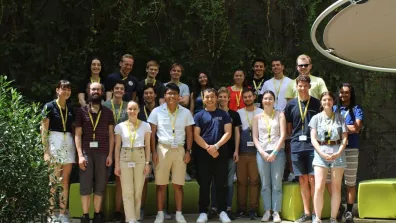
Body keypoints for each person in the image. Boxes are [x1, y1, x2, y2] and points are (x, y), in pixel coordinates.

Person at [147, 83, 195, 223]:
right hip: (162, 149)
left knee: (178, 184)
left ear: (179, 96)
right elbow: (152, 134)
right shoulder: (156, 111)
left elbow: (189, 133)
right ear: (164, 95)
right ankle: (160, 214)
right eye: (169, 93)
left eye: (175, 93)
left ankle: (179, 214)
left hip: (179, 149)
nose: (172, 96)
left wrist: (188, 151)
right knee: (161, 184)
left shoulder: (185, 112)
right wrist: (153, 152)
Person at [75, 82, 115, 223]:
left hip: (103, 153)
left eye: (98, 89)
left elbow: (111, 135)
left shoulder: (108, 112)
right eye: (93, 89)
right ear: (88, 91)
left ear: (102, 92)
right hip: (86, 153)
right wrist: (79, 155)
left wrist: (110, 154)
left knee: (100, 185)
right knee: (85, 184)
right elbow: (78, 134)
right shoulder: (81, 111)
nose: (95, 91)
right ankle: (85, 215)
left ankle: (98, 215)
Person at [284, 75, 321, 222]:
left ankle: (314, 213)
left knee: (313, 179)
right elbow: (288, 128)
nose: (303, 88)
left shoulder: (317, 103)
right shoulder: (291, 105)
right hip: (297, 146)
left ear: (309, 87)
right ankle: (306, 213)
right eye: (300, 85)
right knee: (303, 180)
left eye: (305, 85)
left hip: (313, 146)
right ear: (296, 86)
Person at [194, 88, 232, 223]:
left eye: (212, 97)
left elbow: (228, 133)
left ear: (216, 98)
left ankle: (222, 211)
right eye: (207, 97)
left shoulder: (224, 114)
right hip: (203, 154)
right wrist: (208, 148)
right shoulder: (198, 115)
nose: (209, 99)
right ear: (203, 99)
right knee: (204, 184)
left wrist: (216, 147)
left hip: (220, 153)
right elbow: (196, 135)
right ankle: (203, 212)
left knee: (221, 184)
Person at [309, 91, 348, 223]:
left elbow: (344, 138)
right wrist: (321, 152)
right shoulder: (316, 118)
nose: (327, 102)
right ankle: (318, 218)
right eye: (324, 100)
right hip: (321, 153)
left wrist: (338, 152)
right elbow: (313, 139)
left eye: (329, 100)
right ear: (321, 102)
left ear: (333, 102)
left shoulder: (340, 118)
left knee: (336, 187)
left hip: (338, 153)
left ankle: (333, 218)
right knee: (319, 186)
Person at [41, 80, 75, 223]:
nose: (66, 91)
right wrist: (46, 151)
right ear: (57, 90)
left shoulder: (71, 108)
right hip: (54, 141)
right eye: (64, 89)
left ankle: (62, 214)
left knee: (65, 181)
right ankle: (50, 214)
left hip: (68, 141)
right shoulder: (49, 106)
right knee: (53, 181)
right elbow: (43, 130)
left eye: (69, 89)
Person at [114, 101, 151, 223]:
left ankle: (135, 217)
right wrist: (117, 165)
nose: (132, 111)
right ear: (126, 110)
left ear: (139, 110)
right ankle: (130, 219)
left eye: (134, 109)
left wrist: (147, 163)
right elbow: (117, 147)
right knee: (127, 190)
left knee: (138, 189)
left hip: (140, 156)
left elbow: (148, 146)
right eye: (130, 109)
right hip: (125, 156)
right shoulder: (119, 126)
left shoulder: (146, 126)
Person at [252, 90, 286, 223]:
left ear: (274, 100)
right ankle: (267, 211)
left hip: (277, 153)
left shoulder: (280, 115)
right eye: (265, 98)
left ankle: (276, 212)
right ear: (262, 100)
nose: (268, 101)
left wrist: (274, 153)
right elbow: (255, 137)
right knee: (265, 183)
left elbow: (283, 135)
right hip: (262, 153)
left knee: (277, 183)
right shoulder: (257, 117)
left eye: (270, 98)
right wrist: (263, 152)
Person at [208, 87, 241, 220]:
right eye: (220, 97)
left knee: (229, 182)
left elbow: (237, 133)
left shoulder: (234, 115)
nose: (222, 99)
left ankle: (227, 208)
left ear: (229, 98)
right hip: (216, 152)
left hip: (230, 152)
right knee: (215, 182)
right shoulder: (213, 113)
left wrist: (237, 150)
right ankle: (214, 208)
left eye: (224, 97)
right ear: (217, 98)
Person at [334, 83, 364, 223]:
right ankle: (339, 208)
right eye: (341, 92)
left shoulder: (357, 109)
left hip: (351, 148)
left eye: (346, 92)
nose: (344, 95)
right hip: (335, 149)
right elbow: (329, 127)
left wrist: (340, 128)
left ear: (351, 94)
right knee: (335, 182)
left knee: (350, 182)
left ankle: (349, 212)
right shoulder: (334, 108)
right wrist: (348, 128)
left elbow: (357, 128)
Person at [260, 58, 293, 182]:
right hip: (270, 117)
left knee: (288, 145)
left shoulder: (290, 82)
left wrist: (285, 114)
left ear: (282, 67)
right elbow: (263, 100)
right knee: (272, 142)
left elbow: (291, 100)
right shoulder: (267, 83)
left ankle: (291, 173)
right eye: (273, 65)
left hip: (285, 116)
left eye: (278, 65)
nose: (275, 67)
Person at [102, 80, 128, 222]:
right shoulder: (105, 105)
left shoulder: (128, 106)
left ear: (124, 91)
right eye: (116, 88)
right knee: (104, 179)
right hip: (106, 146)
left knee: (120, 180)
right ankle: (102, 210)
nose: (119, 90)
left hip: (123, 147)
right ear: (112, 90)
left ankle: (118, 211)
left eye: (121, 88)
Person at [236, 88, 263, 219]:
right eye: (245, 97)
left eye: (249, 96)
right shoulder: (238, 113)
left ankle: (253, 209)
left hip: (256, 152)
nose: (247, 99)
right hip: (241, 152)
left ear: (254, 97)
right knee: (241, 181)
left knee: (254, 181)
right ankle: (241, 209)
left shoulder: (261, 112)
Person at [137, 84, 158, 220]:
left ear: (155, 95)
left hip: (159, 149)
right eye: (146, 93)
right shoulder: (138, 111)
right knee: (143, 180)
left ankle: (163, 209)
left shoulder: (162, 110)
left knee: (161, 180)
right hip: (143, 150)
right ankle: (141, 208)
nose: (149, 95)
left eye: (151, 93)